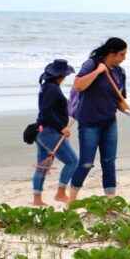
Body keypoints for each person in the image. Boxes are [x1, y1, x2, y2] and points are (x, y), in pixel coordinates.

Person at [69, 37, 130, 201]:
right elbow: (78, 85)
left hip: (109, 122)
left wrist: (129, 111)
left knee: (109, 162)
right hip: (89, 122)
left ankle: (111, 201)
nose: (124, 58)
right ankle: (71, 200)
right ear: (111, 54)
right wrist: (98, 71)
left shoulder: (120, 72)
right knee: (86, 163)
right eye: (122, 54)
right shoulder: (91, 64)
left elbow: (120, 99)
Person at [32, 59, 78, 206]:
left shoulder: (47, 87)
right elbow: (47, 112)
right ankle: (60, 193)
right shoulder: (52, 89)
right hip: (51, 132)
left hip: (42, 131)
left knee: (42, 166)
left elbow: (49, 111)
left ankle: (37, 199)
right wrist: (61, 128)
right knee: (72, 161)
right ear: (61, 75)